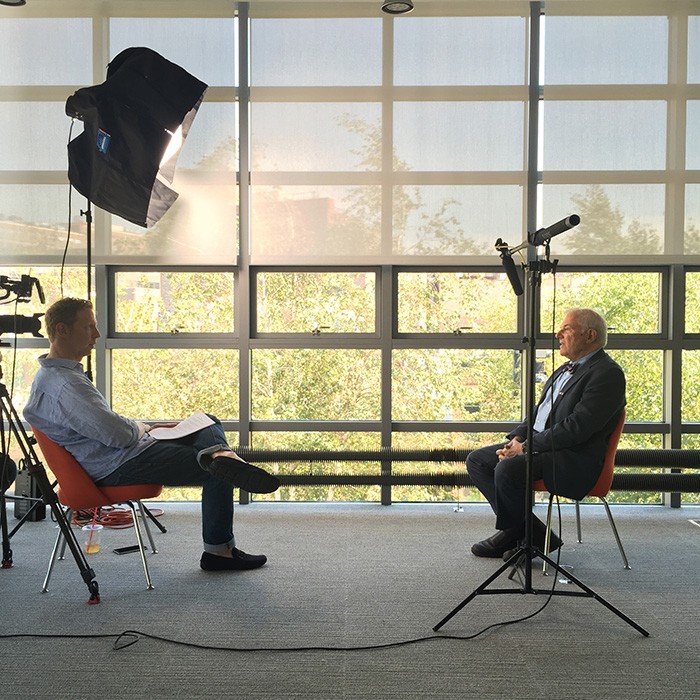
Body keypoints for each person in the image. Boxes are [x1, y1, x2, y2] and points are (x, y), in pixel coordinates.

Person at [23, 297, 280, 572]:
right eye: (89, 327)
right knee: (217, 470)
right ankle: (220, 551)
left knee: (206, 422)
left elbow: (106, 427)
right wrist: (142, 427)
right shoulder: (66, 385)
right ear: (62, 330)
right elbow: (119, 436)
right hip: (119, 463)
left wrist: (142, 428)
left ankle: (221, 453)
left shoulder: (53, 377)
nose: (96, 334)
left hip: (122, 454)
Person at [466, 308, 626, 559]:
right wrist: (517, 439)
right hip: (542, 447)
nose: (558, 334)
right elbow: (539, 413)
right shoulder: (564, 370)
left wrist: (525, 448)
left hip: (571, 457)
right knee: (477, 460)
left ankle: (521, 535)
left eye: (567, 329)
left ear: (590, 335)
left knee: (507, 469)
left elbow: (577, 427)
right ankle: (527, 534)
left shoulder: (607, 373)